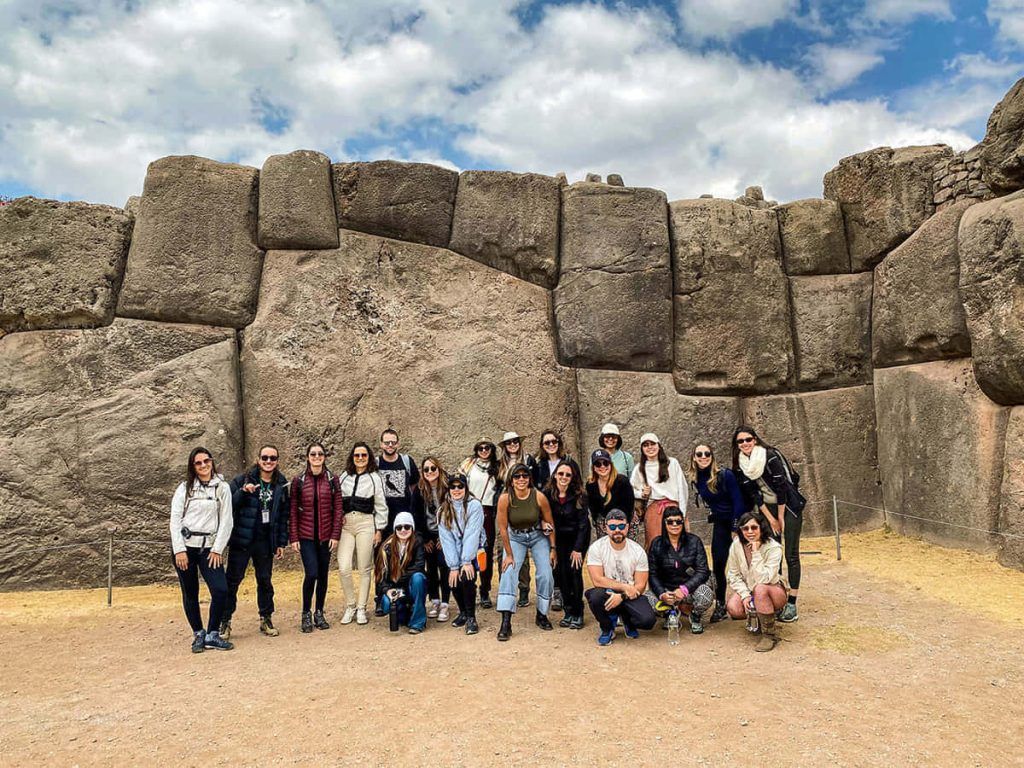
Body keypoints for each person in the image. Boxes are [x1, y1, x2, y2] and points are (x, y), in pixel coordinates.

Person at [732, 425, 805, 623]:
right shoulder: (741, 466)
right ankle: (776, 597)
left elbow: (781, 487)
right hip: (766, 509)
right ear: (737, 445)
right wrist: (770, 519)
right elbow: (754, 494)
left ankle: (792, 602)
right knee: (772, 553)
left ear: (755, 439)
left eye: (748, 439)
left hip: (788, 506)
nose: (745, 443)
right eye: (741, 441)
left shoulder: (769, 455)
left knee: (790, 553)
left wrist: (780, 517)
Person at [220, 445, 289, 640]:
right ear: (258, 459)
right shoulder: (243, 480)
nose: (269, 461)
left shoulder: (281, 484)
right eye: (265, 458)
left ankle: (266, 618)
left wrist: (281, 543)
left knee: (265, 581)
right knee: (232, 581)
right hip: (242, 540)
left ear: (277, 461)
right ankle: (224, 621)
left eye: (273, 458)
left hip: (265, 540)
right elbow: (229, 505)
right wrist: (243, 492)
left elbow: (283, 516)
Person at [171, 447, 234, 653]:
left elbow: (227, 521)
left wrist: (218, 549)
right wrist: (179, 549)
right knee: (190, 592)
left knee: (220, 590)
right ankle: (198, 632)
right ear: (193, 466)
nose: (203, 465)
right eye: (198, 463)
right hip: (186, 547)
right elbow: (175, 520)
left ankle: (212, 633)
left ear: (212, 461)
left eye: (206, 461)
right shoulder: (184, 488)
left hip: (209, 548)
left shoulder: (221, 487)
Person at [495, 462, 557, 641]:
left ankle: (542, 614)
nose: (521, 479)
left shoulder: (539, 497)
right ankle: (506, 620)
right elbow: (503, 528)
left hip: (537, 535)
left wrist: (553, 549)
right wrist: (509, 554)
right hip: (515, 537)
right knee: (508, 571)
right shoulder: (505, 498)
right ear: (511, 480)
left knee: (546, 573)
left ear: (529, 478)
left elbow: (549, 523)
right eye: (517, 476)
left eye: (524, 476)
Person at [687, 442, 746, 624]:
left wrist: (736, 528)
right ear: (694, 458)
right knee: (719, 564)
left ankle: (752, 601)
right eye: (699, 454)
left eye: (707, 454)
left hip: (738, 522)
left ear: (712, 457)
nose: (703, 457)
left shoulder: (724, 475)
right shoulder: (696, 479)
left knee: (746, 562)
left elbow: (738, 501)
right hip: (720, 523)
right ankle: (720, 604)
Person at [289, 442, 343, 634]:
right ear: (307, 457)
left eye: (320, 454)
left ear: (325, 457)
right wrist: (293, 536)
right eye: (313, 454)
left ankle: (319, 611)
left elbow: (338, 509)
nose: (317, 457)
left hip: (326, 536)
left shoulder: (332, 479)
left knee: (323, 575)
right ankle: (306, 612)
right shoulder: (299, 480)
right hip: (306, 536)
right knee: (311, 573)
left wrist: (335, 535)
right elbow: (293, 510)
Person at [584, 509, 656, 646]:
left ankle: (627, 619)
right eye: (612, 527)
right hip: (608, 592)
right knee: (595, 596)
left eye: (621, 526)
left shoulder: (637, 551)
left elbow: (640, 586)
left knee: (648, 620)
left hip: (630, 594)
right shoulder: (597, 548)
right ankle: (607, 628)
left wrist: (622, 596)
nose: (617, 530)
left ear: (628, 527)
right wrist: (624, 587)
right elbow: (597, 580)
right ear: (605, 528)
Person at [337, 442, 389, 626]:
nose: (360, 458)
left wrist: (379, 529)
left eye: (364, 455)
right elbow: (337, 500)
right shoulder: (344, 477)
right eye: (357, 455)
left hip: (366, 523)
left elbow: (381, 505)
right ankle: (350, 605)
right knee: (343, 567)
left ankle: (361, 608)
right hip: (346, 525)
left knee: (364, 567)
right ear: (352, 457)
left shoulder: (375, 478)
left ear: (369, 458)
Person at [645, 507, 715, 634]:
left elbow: (702, 571)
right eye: (670, 522)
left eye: (678, 521)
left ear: (683, 522)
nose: (675, 525)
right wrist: (662, 594)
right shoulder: (656, 544)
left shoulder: (694, 541)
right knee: (647, 600)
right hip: (667, 590)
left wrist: (684, 589)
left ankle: (695, 616)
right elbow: (652, 574)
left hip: (689, 589)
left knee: (705, 594)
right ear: (664, 523)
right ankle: (669, 614)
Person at [725, 511, 788, 652]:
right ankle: (762, 616)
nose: (750, 531)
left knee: (760, 588)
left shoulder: (774, 547)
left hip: (773, 590)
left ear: (761, 528)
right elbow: (733, 575)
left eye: (754, 527)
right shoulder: (736, 545)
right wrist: (745, 595)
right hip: (750, 589)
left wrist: (756, 552)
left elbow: (764, 579)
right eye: (745, 528)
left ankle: (769, 635)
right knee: (734, 608)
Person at [544, 460, 590, 630]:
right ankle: (568, 610)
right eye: (561, 473)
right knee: (560, 573)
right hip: (558, 539)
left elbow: (583, 524)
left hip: (577, 538)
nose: (564, 477)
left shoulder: (579, 495)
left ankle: (578, 611)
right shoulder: (548, 493)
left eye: (568, 475)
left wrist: (578, 549)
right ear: (555, 474)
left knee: (574, 573)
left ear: (573, 478)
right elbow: (542, 514)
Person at [437, 472, 484, 635]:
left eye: (460, 486)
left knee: (467, 577)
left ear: (466, 488)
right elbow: (446, 539)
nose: (456, 490)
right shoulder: (443, 510)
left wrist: (465, 561)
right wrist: (454, 565)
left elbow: (472, 533)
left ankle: (471, 617)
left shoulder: (474, 506)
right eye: (453, 487)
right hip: (454, 552)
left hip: (471, 551)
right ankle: (463, 611)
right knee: (453, 578)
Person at [498, 431, 537, 607]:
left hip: (524, 504)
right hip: (505, 504)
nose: (513, 444)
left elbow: (535, 482)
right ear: (504, 446)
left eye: (515, 441)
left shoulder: (528, 460)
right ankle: (505, 588)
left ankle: (523, 589)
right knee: (504, 548)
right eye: (509, 442)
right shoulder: (499, 464)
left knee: (523, 545)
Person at [460, 439, 501, 609]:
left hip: (487, 510)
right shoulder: (468, 463)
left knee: (485, 549)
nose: (484, 451)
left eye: (488, 448)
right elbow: (460, 483)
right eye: (481, 448)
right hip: (469, 508)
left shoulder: (497, 466)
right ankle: (469, 587)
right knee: (467, 548)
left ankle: (484, 590)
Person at [630, 433, 688, 546]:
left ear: (659, 445)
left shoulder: (672, 463)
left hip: (674, 509)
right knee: (655, 545)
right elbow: (630, 489)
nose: (650, 447)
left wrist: (683, 513)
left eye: (652, 444)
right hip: (654, 510)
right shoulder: (639, 468)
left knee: (678, 544)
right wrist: (641, 494)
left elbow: (682, 489)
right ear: (642, 449)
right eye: (646, 445)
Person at [374, 511, 428, 634]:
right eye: (399, 527)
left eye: (407, 527)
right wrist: (388, 590)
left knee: (419, 577)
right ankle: (406, 612)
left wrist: (398, 578)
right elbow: (380, 577)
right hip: (393, 587)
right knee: (388, 605)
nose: (403, 530)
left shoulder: (418, 542)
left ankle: (417, 623)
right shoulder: (386, 548)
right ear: (395, 529)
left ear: (412, 528)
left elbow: (419, 566)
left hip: (411, 585)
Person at [412, 456, 451, 622]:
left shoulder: (448, 487)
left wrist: (445, 538)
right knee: (431, 567)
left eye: (433, 468)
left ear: (439, 469)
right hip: (427, 535)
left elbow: (452, 514)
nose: (429, 472)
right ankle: (434, 600)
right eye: (426, 469)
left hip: (445, 535)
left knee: (445, 566)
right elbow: (416, 516)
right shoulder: (419, 490)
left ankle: (445, 603)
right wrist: (425, 539)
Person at [585, 448, 637, 540]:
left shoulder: (622, 481)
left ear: (611, 464)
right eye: (598, 464)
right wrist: (604, 526)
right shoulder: (591, 485)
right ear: (593, 467)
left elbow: (629, 508)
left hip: (624, 522)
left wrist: (621, 527)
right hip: (604, 524)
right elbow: (594, 510)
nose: (602, 466)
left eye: (605, 463)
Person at [376, 428, 420, 536]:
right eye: (387, 442)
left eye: (393, 442)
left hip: (404, 518)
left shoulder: (407, 461)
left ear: (398, 444)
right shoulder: (376, 464)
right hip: (383, 519)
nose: (390, 445)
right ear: (381, 444)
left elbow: (414, 486)